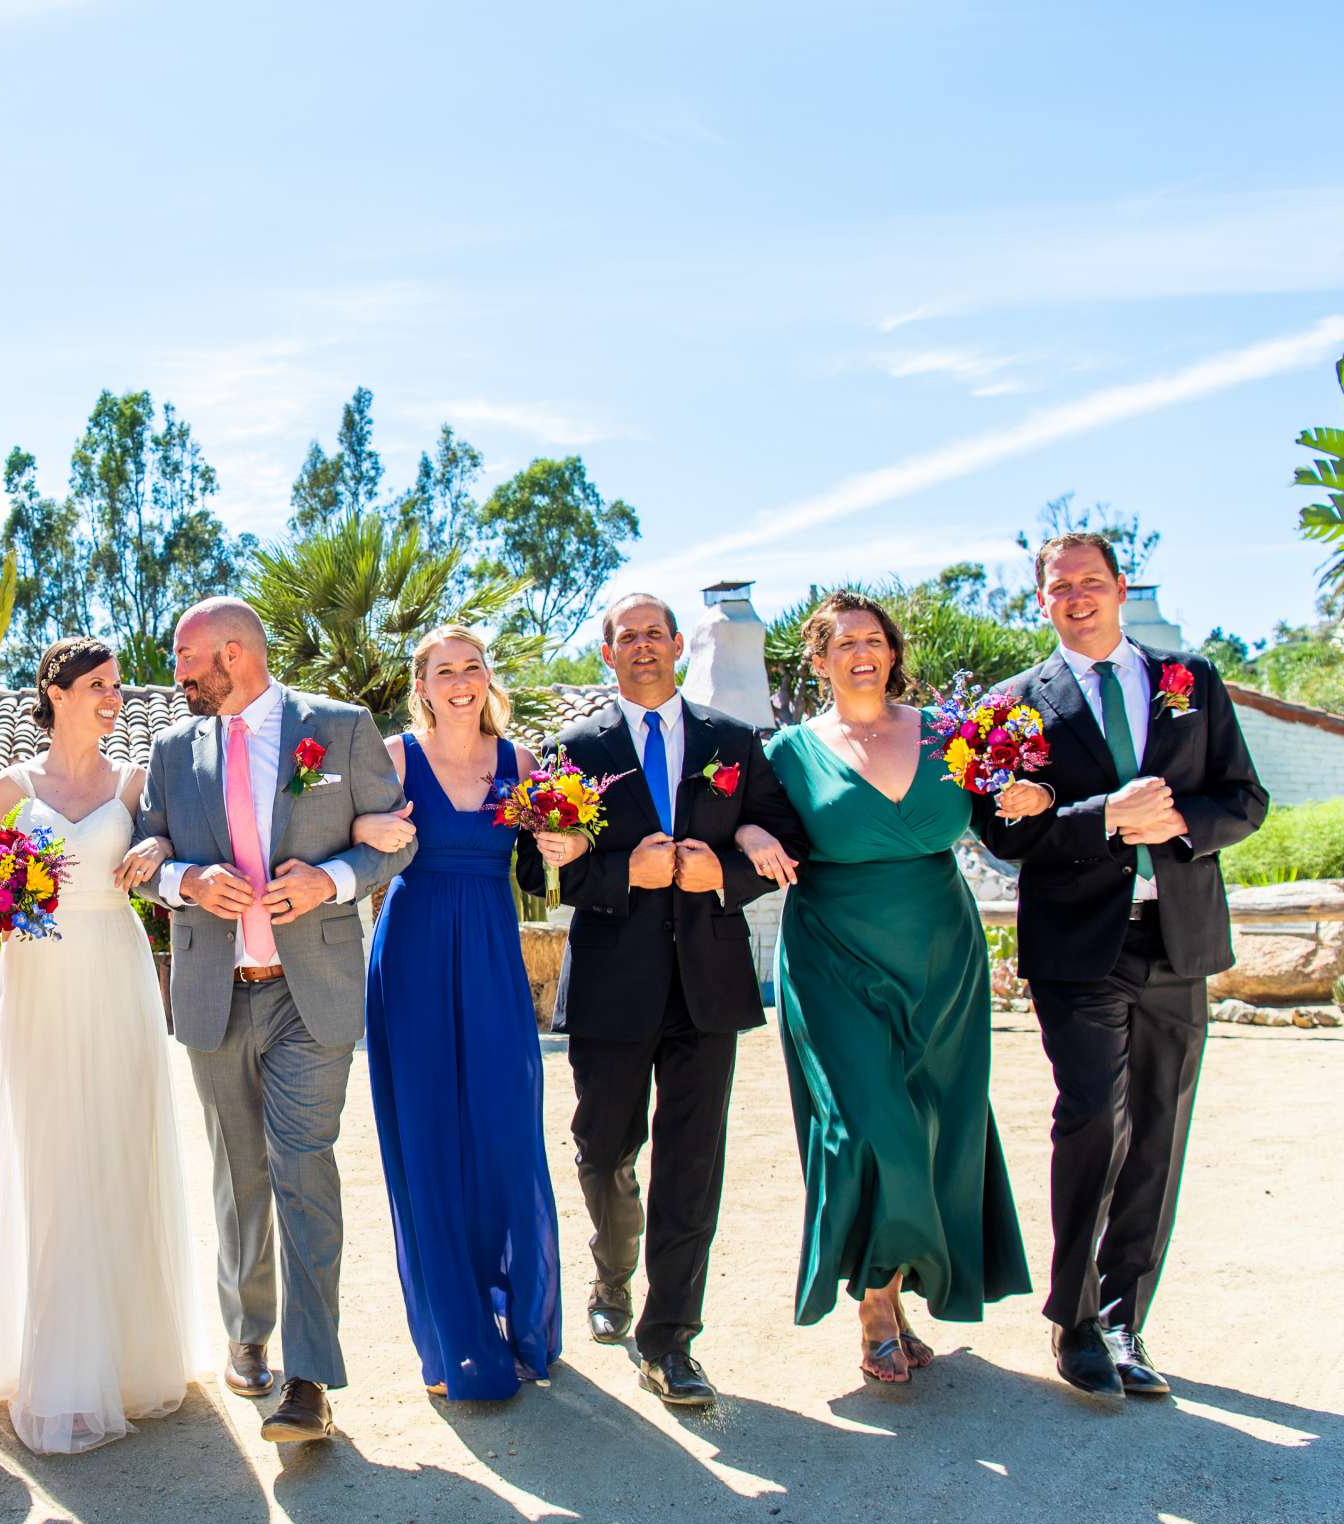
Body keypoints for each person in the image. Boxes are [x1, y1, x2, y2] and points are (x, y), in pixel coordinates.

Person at [982, 534, 1267, 1399]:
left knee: (1157, 1128)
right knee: (1092, 1124)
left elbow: (1244, 800)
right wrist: (1105, 815)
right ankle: (1072, 1323)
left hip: (1176, 937)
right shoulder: (1012, 707)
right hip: (1077, 948)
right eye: (1059, 586)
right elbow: (1004, 837)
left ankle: (1123, 1318)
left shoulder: (1192, 681)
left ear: (1120, 588)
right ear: (1040, 601)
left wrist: (1171, 821)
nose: (1077, 597)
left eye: (1092, 583)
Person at [134, 596, 414, 1444]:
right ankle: (248, 1329)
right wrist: (184, 880)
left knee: (302, 1166)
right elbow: (145, 854)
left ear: (233, 651)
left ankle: (309, 1378)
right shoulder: (170, 749)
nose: (176, 674)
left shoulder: (340, 727)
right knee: (239, 1174)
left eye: (186, 657)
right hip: (215, 989)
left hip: (311, 990)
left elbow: (394, 839)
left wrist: (329, 879)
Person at [522, 593, 803, 1408]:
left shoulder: (732, 741)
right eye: (625, 637)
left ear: (678, 645)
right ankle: (614, 1270)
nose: (642, 647)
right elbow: (548, 868)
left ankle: (671, 1338)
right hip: (613, 982)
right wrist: (621, 875)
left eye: (655, 633)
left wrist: (732, 870)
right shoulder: (571, 748)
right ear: (606, 654)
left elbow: (782, 838)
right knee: (602, 1149)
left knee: (691, 1165)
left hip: (708, 985)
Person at [0, 638, 216, 1453]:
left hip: (117, 974)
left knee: (117, 1150)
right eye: (98, 685)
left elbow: (175, 854)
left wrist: (158, 846)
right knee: (53, 1162)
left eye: (118, 687)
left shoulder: (137, 783)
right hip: (39, 986)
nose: (113, 699)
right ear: (54, 692)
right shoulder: (10, 787)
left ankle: (129, 1358)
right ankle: (59, 1367)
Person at [759, 594, 1036, 1385]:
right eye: (843, 643)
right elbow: (742, 821)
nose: (862, 653)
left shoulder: (953, 736)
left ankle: (895, 1285)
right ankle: (875, 1299)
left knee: (941, 1122)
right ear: (817, 661)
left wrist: (1033, 800)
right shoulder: (785, 753)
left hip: (942, 951)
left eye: (874, 639)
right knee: (868, 1124)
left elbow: (1005, 826)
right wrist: (749, 832)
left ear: (892, 651)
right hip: (833, 955)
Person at [362, 624, 565, 1402]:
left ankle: (526, 1320)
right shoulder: (390, 756)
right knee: (429, 1137)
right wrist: (364, 826)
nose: (459, 680)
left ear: (487, 678)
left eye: (471, 666)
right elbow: (343, 831)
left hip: (490, 948)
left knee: (506, 1132)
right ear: (422, 684)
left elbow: (555, 848)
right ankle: (457, 1339)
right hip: (412, 950)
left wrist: (565, 844)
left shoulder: (522, 763)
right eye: (443, 669)